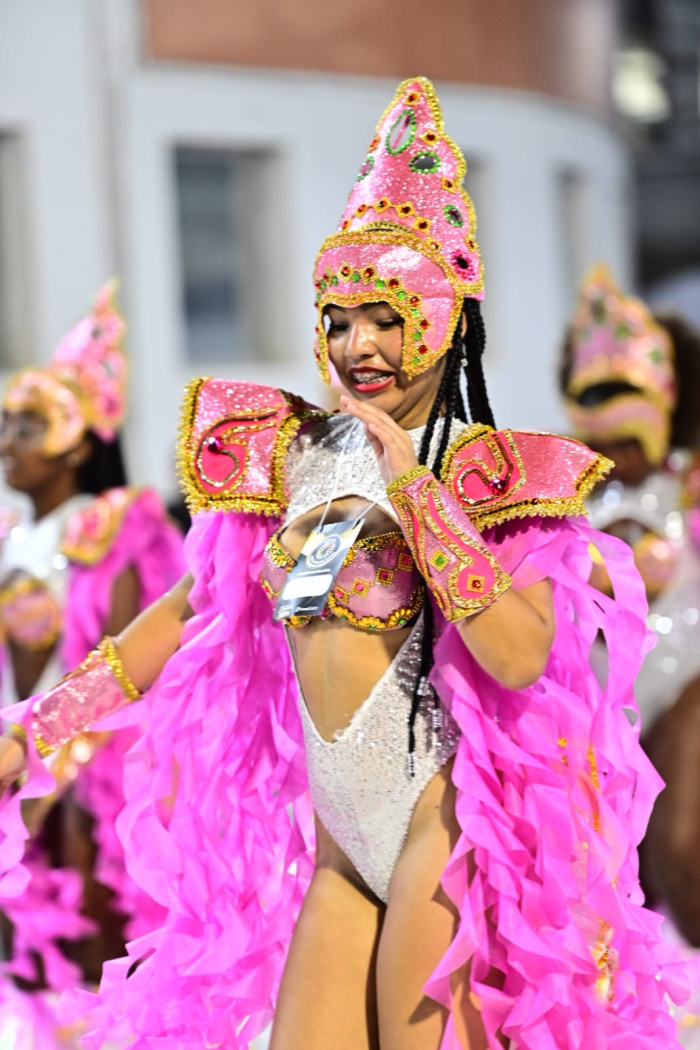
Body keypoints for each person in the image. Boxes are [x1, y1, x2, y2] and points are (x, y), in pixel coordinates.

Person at [0, 78, 687, 1050]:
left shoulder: (486, 475)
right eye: (336, 318)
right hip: (337, 846)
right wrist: (38, 728)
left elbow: (518, 656)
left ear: (443, 321)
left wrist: (413, 490)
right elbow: (184, 614)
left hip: (434, 832)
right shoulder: (284, 458)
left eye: (383, 317)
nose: (356, 345)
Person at [0, 282, 185, 1045]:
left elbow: (132, 664)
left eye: (30, 425)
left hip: (99, 761)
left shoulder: (122, 524)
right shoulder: (11, 533)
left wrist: (53, 760)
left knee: (90, 908)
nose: (8, 439)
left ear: (80, 442)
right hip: (23, 742)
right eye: (8, 421)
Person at [561, 263, 700, 1047]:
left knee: (684, 843)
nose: (615, 449)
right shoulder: (569, 501)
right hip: (601, 697)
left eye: (627, 430)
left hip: (693, 681)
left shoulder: (692, 488)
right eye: (598, 431)